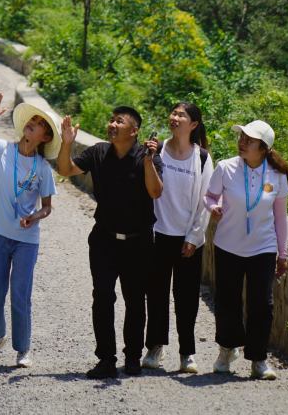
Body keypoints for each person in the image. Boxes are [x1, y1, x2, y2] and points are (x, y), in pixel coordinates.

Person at [57, 105, 163, 379]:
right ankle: (106, 359)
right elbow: (66, 169)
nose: (112, 124)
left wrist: (150, 161)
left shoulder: (147, 156)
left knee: (135, 300)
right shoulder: (98, 152)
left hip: (138, 242)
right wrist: (66, 144)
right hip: (104, 239)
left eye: (119, 121)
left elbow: (155, 191)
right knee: (102, 297)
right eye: (111, 120)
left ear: (134, 130)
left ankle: (132, 358)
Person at [0, 92, 59, 369]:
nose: (32, 123)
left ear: (46, 137)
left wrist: (35, 216)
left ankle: (23, 348)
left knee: (20, 293)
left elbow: (48, 207)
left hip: (26, 240)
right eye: (32, 119)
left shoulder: (42, 168)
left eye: (39, 123)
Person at [204, 119, 288, 381]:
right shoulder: (226, 168)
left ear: (263, 147)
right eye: (241, 137)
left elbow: (281, 217)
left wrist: (283, 253)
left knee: (261, 305)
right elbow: (209, 196)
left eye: (249, 140)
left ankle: (258, 359)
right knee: (227, 301)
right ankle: (226, 350)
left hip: (262, 248)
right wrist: (213, 208)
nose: (242, 142)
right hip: (228, 245)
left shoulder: (276, 176)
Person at [142, 102, 214, 375]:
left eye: (181, 115)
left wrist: (194, 237)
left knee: (186, 299)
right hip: (157, 234)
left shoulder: (203, 158)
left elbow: (206, 201)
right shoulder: (156, 150)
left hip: (187, 240)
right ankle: (155, 347)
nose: (174, 118)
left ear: (193, 124)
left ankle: (187, 354)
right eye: (173, 113)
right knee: (156, 294)